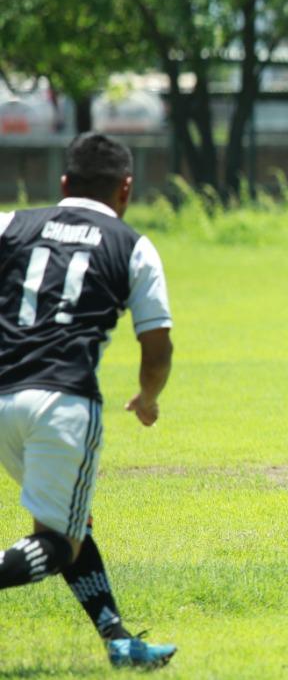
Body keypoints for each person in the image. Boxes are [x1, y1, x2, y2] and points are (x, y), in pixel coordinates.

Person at [0, 133, 177, 669]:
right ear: (126, 188)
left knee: (75, 524)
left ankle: (118, 638)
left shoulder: (10, 224)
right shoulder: (133, 246)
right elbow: (157, 347)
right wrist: (148, 398)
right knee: (58, 545)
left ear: (62, 184)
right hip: (63, 404)